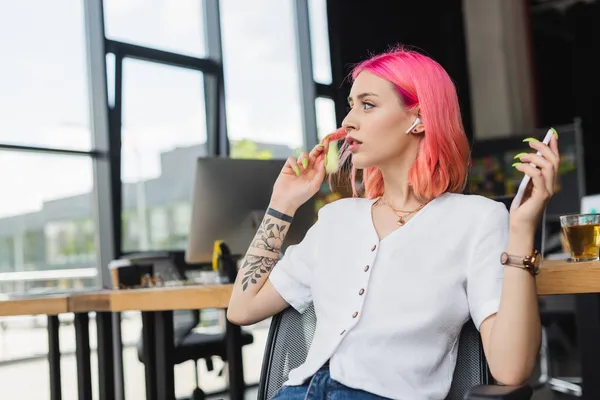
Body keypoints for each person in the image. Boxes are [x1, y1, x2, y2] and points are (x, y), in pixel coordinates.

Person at [227, 46, 559, 400]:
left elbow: (511, 369)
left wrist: (523, 229)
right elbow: (242, 308)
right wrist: (282, 203)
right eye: (351, 105)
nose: (348, 121)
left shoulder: (478, 219)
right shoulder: (336, 219)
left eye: (367, 105)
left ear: (420, 118)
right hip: (297, 392)